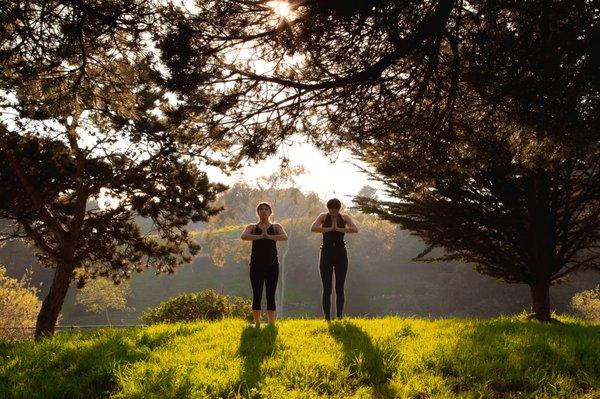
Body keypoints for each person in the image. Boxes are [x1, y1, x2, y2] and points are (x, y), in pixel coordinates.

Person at [310, 198, 358, 321]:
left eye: (335, 212)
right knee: (327, 288)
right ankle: (327, 318)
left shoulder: (345, 217)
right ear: (328, 209)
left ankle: (339, 316)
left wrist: (339, 229)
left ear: (339, 209)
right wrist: (329, 229)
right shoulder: (323, 216)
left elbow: (355, 229)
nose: (333, 214)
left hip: (341, 253)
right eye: (331, 212)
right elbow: (313, 228)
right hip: (326, 252)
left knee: (339, 287)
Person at [241, 202, 288, 327]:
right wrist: (261, 236)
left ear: (270, 212)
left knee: (270, 294)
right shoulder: (252, 227)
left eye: (266, 209)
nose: (263, 211)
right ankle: (257, 324)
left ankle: (271, 323)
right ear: (257, 212)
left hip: (272, 265)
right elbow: (244, 236)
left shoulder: (276, 226)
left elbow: (284, 237)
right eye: (261, 209)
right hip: (256, 265)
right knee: (257, 294)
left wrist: (268, 236)